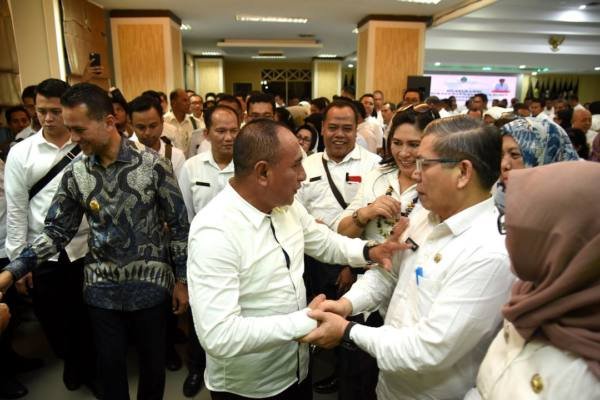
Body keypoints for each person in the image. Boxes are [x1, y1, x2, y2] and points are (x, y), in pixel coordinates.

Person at [186, 119, 408, 400]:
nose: (304, 175)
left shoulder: (285, 207)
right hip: (251, 387)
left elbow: (324, 242)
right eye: (296, 165)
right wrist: (306, 321)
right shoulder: (215, 231)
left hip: (297, 369)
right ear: (263, 172)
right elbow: (220, 335)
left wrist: (370, 251)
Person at [300, 115, 516, 400]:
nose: (415, 174)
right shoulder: (425, 214)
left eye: (424, 164)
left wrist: (347, 331)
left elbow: (429, 348)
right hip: (390, 386)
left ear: (463, 172)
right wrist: (346, 304)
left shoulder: (489, 252)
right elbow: (388, 273)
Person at [0, 82, 190, 400]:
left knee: (152, 367)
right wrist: (11, 272)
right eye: (70, 129)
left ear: (108, 121)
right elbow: (56, 232)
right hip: (102, 291)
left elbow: (180, 225)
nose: (73, 138)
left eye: (79, 129)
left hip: (151, 287)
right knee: (110, 368)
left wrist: (182, 280)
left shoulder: (153, 165)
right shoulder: (76, 173)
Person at [465, 162, 600, 400]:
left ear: (565, 243)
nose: (508, 241)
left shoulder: (588, 382)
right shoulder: (532, 293)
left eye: (518, 229)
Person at [5, 78, 93, 393]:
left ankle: (88, 368)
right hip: (43, 252)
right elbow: (16, 209)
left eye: (55, 111)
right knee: (53, 319)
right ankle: (71, 360)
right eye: (41, 111)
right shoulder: (21, 153)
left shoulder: (88, 145)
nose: (48, 118)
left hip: (88, 248)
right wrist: (19, 261)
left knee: (89, 316)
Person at [495, 117, 579, 212]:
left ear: (545, 157)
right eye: (501, 155)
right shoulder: (498, 201)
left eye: (514, 154)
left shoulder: (576, 210)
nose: (503, 165)